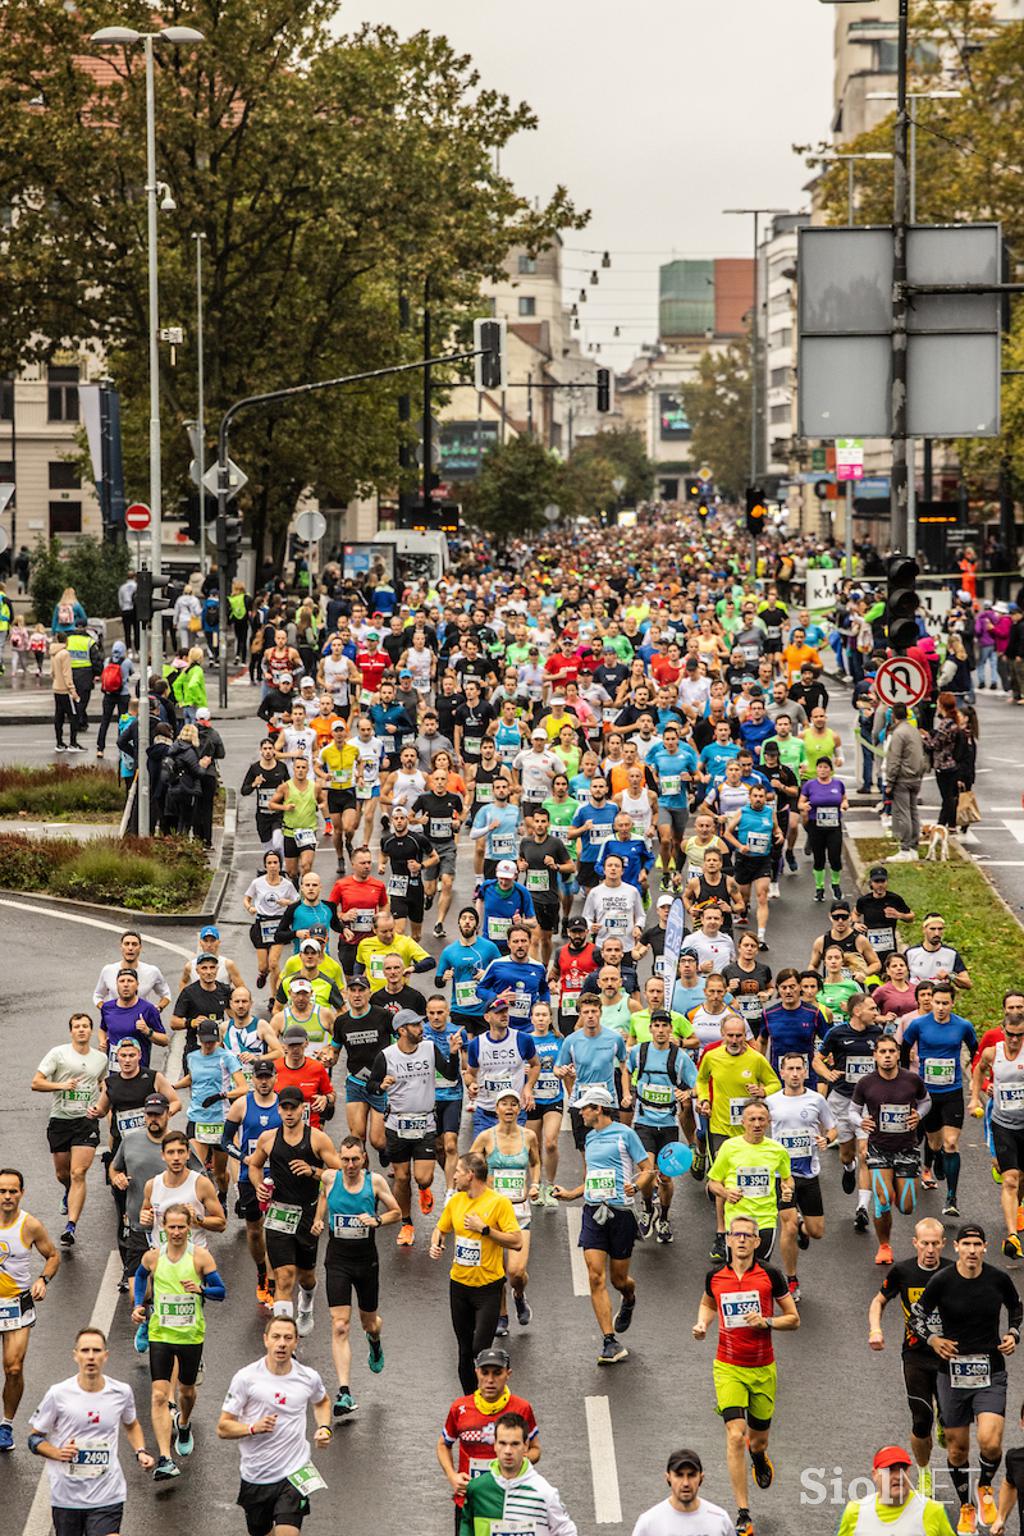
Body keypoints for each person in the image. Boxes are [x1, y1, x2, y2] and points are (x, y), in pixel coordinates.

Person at [914, 1223, 1022, 1535]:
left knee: (990, 1441)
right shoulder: (942, 1281)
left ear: (985, 1247)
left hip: (990, 1369)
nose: (973, 1250)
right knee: (957, 1450)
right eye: (967, 1245)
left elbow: (1016, 1308)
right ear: (957, 1248)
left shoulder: (997, 1279)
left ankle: (985, 1486)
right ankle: (966, 1505)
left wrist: (1013, 1333)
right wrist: (934, 1341)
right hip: (952, 1374)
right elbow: (917, 1315)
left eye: (978, 1244)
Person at [552, 1083, 655, 1365]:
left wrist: (636, 1185)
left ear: (597, 1109)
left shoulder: (626, 1134)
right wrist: (571, 1194)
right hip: (594, 1211)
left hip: (621, 1212)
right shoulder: (590, 1138)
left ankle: (629, 1297)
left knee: (618, 1279)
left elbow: (647, 1170)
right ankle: (610, 1341)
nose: (580, 1113)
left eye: (584, 1108)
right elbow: (591, 1178)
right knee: (595, 1276)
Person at [131, 1203, 226, 1480]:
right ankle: (164, 1457)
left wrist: (202, 1289)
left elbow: (221, 1292)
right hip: (161, 1334)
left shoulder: (200, 1258)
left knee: (186, 1392)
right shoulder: (153, 1257)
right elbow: (140, 1276)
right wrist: (139, 1305)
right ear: (163, 1227)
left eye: (181, 1227)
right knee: (159, 1395)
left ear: (189, 1228)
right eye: (170, 1227)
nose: (175, 1232)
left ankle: (183, 1423)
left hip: (190, 1335)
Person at [29, 1327, 155, 1531]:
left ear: (105, 1356)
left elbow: (131, 1425)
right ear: (75, 1356)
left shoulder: (121, 1392)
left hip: (107, 1493)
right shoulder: (58, 1394)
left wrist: (140, 1451)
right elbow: (34, 1439)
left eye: (96, 1351)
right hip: (67, 1497)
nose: (90, 1356)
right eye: (85, 1350)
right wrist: (58, 1453)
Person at [217, 1317, 332, 1536]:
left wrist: (324, 1427)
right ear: (265, 1340)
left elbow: (323, 1401)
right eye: (276, 1337)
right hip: (256, 1475)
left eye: (288, 1338)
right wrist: (252, 1428)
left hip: (294, 1471)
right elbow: (223, 1427)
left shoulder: (308, 1377)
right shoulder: (246, 1378)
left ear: (296, 1342)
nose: (282, 1343)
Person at [311, 1135, 400, 1418]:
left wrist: (377, 1220)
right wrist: (318, 1219)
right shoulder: (328, 1178)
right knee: (339, 1325)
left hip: (366, 1263)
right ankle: (345, 1392)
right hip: (337, 1260)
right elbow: (323, 1197)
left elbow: (397, 1212)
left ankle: (374, 1341)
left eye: (355, 1159)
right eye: (345, 1159)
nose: (349, 1165)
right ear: (339, 1158)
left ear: (363, 1159)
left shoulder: (374, 1183)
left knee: (369, 1322)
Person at [868, 1217, 951, 1497]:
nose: (930, 1249)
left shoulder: (954, 1272)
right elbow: (879, 1301)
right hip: (915, 1355)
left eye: (935, 1244)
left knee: (951, 1424)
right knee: (920, 1420)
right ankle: (925, 1473)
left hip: (949, 1355)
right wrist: (876, 1329)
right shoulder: (903, 1271)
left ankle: (945, 1421)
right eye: (924, 1243)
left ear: (943, 1244)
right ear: (915, 1243)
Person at [247, 1085, 341, 1335]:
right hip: (278, 1214)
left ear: (303, 1109)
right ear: (279, 1109)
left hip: (308, 1214)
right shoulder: (269, 1138)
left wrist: (314, 1171)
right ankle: (284, 1338)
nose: (289, 1113)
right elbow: (254, 1166)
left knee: (306, 1277)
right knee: (284, 1277)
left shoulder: (317, 1139)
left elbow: (340, 1174)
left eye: (293, 1108)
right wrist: (259, 1187)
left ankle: (307, 1307)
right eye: (284, 1108)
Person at [429, 1152, 523, 1394]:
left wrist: (485, 1230)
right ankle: (470, 1401)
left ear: (471, 1175)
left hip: (488, 1289)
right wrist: (436, 1243)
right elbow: (441, 1228)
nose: (454, 1176)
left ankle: (489, 1394)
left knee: (479, 1349)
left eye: (458, 1172)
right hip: (459, 1286)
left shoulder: (498, 1203)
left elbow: (516, 1241)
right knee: (463, 1351)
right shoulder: (456, 1202)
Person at [366, 1009, 461, 1244]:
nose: (422, 1028)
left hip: (425, 1121)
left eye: (421, 1024)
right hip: (397, 1123)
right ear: (402, 1030)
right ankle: (407, 1223)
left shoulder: (429, 1048)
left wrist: (453, 1054)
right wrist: (381, 1086)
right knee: (401, 1177)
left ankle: (424, 1188)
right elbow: (371, 1085)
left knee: (424, 1177)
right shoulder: (386, 1056)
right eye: (417, 1025)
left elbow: (449, 1074)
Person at [437, 1348, 540, 1532]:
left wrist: (512, 1462)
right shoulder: (460, 1408)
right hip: (470, 1502)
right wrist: (452, 1477)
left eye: (497, 1373)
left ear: (508, 1374)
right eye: (485, 1373)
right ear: (476, 1372)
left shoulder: (522, 1408)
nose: (490, 1380)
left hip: (509, 1501)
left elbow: (535, 1450)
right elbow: (444, 1444)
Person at [850, 1035, 930, 1266]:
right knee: (882, 1200)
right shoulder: (866, 1083)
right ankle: (884, 1245)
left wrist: (919, 1115)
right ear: (875, 1055)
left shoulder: (912, 1080)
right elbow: (852, 1111)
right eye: (882, 1052)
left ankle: (894, 1186)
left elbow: (926, 1102)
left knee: (906, 1207)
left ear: (897, 1054)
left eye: (891, 1052)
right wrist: (860, 1122)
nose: (887, 1056)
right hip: (879, 1148)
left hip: (906, 1148)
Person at [31, 1013, 108, 1248]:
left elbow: (102, 1084)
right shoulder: (59, 1054)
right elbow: (36, 1082)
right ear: (71, 1031)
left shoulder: (100, 1058)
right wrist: (61, 1085)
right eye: (77, 1027)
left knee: (78, 1173)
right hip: (60, 1120)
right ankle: (67, 1191)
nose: (81, 1030)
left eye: (85, 1026)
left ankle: (71, 1226)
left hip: (85, 1122)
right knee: (63, 1174)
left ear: (91, 1031)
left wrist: (101, 1109)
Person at [903, 983, 978, 1218]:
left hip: (953, 1092)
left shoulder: (963, 1026)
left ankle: (951, 1197)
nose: (941, 1007)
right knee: (934, 1143)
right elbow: (903, 1050)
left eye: (946, 1003)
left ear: (952, 1003)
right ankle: (936, 1157)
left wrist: (975, 1082)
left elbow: (976, 1052)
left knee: (951, 1143)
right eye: (937, 1002)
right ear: (930, 1002)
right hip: (927, 1095)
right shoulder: (918, 1025)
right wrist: (906, 1083)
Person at [470, 1090, 541, 1334]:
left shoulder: (529, 1136)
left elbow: (535, 1163)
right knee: (496, 1271)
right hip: (493, 1212)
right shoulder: (485, 1138)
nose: (509, 1108)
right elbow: (470, 1167)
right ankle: (501, 1316)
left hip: (520, 1211)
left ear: (519, 1109)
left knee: (516, 1272)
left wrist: (535, 1184)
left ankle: (519, 1294)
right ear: (496, 1108)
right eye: (504, 1104)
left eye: (513, 1104)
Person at [766, 1054, 836, 1300]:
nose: (795, 1073)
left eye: (799, 1069)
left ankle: (804, 1230)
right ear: (782, 1073)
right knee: (788, 1224)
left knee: (817, 1231)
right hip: (782, 1174)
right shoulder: (771, 1101)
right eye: (790, 1069)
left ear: (806, 1072)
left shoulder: (816, 1099)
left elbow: (833, 1128)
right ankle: (791, 1279)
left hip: (809, 1172)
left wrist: (826, 1139)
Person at [625, 1010, 698, 1244]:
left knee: (665, 1177)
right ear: (650, 1029)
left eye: (664, 1026)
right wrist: (627, 1093)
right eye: (656, 1025)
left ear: (670, 1030)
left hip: (668, 1124)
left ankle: (664, 1217)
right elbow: (625, 1070)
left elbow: (698, 1085)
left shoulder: (680, 1057)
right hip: (644, 1121)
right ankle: (647, 1208)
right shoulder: (639, 1052)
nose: (660, 1030)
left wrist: (686, 1093)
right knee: (647, 1171)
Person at [0, 1169, 60, 1452]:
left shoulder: (30, 1225)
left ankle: (6, 1425)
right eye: (2, 1191)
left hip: (16, 1305)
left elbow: (52, 1255)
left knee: (13, 1368)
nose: (7, 1196)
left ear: (22, 1193)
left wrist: (42, 1279)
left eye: (13, 1191)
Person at [222, 1058, 282, 1307]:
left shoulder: (284, 1105)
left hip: (279, 1176)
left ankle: (274, 1280)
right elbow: (224, 1141)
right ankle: (261, 1271)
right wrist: (244, 1157)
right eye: (260, 1077)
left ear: (275, 1078)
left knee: (278, 1230)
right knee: (255, 1230)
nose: (264, 1081)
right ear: (253, 1079)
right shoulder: (241, 1105)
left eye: (268, 1077)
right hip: (251, 1177)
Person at [458, 1412, 576, 1536]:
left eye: (515, 1444)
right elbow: (467, 1529)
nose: (508, 1451)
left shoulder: (545, 1493)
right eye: (502, 1443)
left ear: (525, 1446)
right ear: (495, 1445)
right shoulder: (477, 1489)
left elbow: (567, 1532)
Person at [970, 1012, 1024, 1258]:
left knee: (1021, 1179)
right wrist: (975, 1096)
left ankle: (1019, 1206)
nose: (1014, 1040)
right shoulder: (994, 1052)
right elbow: (978, 1070)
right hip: (1003, 1124)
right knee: (1010, 1179)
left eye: (1019, 1035)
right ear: (1003, 1031)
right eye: (1010, 1034)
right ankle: (1012, 1235)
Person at [833, 1445, 956, 1536]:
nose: (898, 1476)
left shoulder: (933, 1510)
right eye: (890, 1470)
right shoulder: (855, 1512)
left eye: (903, 1468)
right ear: (875, 1474)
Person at [630, 1447, 737, 1536]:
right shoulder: (649, 1523)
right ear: (668, 1478)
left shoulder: (720, 1520)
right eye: (679, 1475)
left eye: (691, 1475)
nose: (686, 1483)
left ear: (701, 1478)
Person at [50, 632, 83, 753]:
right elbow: (67, 674)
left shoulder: (53, 653)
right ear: (66, 641)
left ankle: (59, 742)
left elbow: (53, 672)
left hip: (56, 688)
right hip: (65, 690)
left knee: (59, 716)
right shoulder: (65, 654)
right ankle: (73, 743)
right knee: (73, 716)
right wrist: (72, 690)